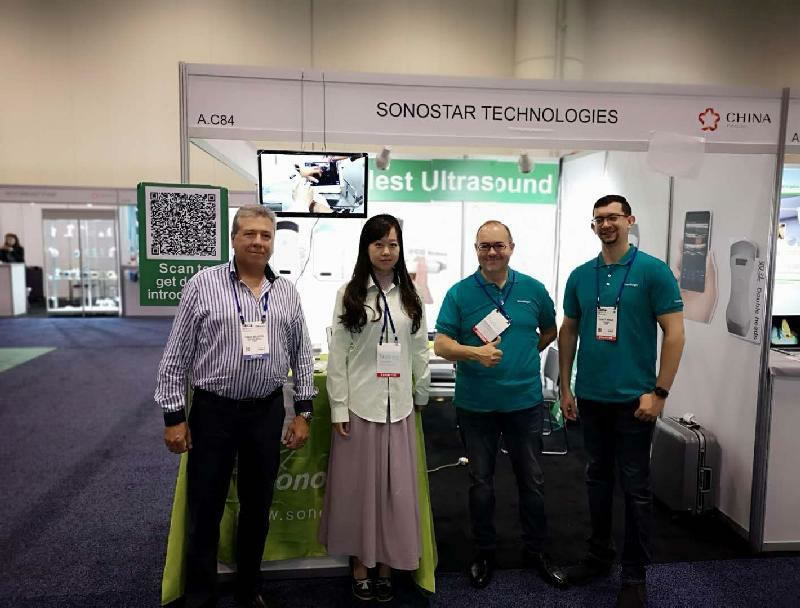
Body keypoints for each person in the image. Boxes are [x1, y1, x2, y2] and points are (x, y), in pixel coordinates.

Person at [155, 205, 316, 608]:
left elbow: (302, 355)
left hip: (265, 413)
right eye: (250, 234)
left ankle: (249, 589)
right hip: (214, 412)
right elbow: (176, 356)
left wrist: (303, 411)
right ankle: (200, 594)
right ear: (233, 239)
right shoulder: (203, 285)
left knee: (257, 506)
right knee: (206, 507)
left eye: (266, 235)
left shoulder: (287, 291)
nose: (258, 242)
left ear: (273, 241)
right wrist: (174, 417)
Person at [558, 195, 685, 608]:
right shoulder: (581, 275)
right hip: (591, 397)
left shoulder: (652, 271)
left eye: (613, 217)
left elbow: (675, 334)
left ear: (629, 220)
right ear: (593, 226)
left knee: (635, 488)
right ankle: (599, 556)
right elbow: (568, 330)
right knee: (596, 480)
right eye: (599, 219)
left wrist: (660, 393)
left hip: (635, 401)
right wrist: (565, 387)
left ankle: (634, 575)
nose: (606, 224)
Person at [433, 220, 567, 590]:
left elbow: (550, 329)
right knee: (481, 483)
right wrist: (474, 353)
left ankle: (536, 551)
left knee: (533, 481)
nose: (492, 252)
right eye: (485, 246)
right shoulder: (460, 293)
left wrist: (526, 354)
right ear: (476, 249)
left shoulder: (533, 289)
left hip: (524, 403)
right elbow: (441, 344)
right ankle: (485, 552)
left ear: (511, 247)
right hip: (477, 406)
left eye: (498, 245)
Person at [319, 214, 430, 603]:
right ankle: (360, 566)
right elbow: (338, 356)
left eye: (393, 244)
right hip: (360, 408)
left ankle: (386, 566)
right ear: (366, 248)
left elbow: (420, 350)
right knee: (358, 494)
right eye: (379, 244)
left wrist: (420, 395)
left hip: (399, 409)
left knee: (393, 494)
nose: (386, 251)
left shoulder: (410, 296)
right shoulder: (349, 294)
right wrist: (338, 408)